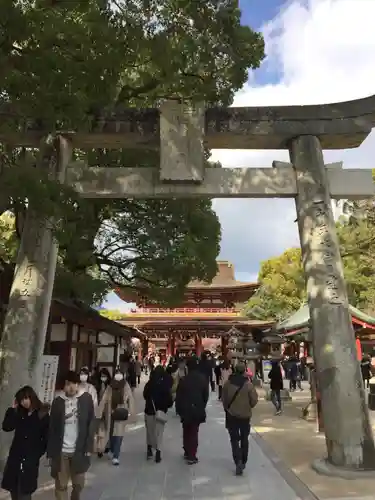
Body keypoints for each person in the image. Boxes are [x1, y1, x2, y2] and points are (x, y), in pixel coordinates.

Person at [47, 371, 95, 500]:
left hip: (79, 449)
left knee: (78, 484)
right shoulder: (58, 402)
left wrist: (89, 446)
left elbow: (91, 423)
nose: (72, 387)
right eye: (68, 384)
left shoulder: (86, 399)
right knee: (61, 485)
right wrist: (51, 453)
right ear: (63, 386)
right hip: (61, 450)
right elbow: (52, 428)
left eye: (74, 383)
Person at [1, 386, 49, 500]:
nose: (24, 402)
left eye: (26, 398)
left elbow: (46, 439)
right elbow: (7, 427)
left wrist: (35, 454)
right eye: (21, 400)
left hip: (29, 462)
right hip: (15, 460)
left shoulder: (42, 415)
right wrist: (12, 409)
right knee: (14, 492)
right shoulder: (20, 413)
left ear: (32, 397)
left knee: (25, 494)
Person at [222, 363, 258, 476]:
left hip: (231, 415)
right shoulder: (248, 385)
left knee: (234, 439)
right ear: (244, 372)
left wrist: (228, 408)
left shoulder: (228, 384)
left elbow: (224, 399)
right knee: (244, 438)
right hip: (245, 416)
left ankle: (237, 460)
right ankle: (243, 460)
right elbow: (254, 400)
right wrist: (247, 406)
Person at [96, 368, 134, 466]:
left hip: (121, 412)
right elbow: (104, 399)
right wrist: (99, 412)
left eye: (120, 373)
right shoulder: (110, 386)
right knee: (112, 434)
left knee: (119, 435)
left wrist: (131, 411)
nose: (118, 375)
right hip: (110, 413)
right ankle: (112, 450)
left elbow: (130, 398)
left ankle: (116, 456)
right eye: (117, 373)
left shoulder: (125, 385)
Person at [175, 357, 209, 465]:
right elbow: (205, 395)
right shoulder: (203, 379)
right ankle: (192, 454)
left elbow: (178, 396)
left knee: (186, 430)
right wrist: (202, 405)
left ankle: (186, 450)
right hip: (197, 407)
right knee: (194, 431)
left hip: (185, 409)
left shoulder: (184, 380)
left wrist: (178, 409)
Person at [143, 366, 173, 463]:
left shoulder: (149, 384)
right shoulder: (164, 385)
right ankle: (158, 452)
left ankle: (149, 449)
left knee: (150, 431)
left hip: (149, 411)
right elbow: (169, 401)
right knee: (159, 433)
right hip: (161, 412)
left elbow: (145, 395)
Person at [93, 368, 112, 458]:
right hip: (98, 410)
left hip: (107, 411)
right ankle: (100, 448)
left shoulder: (110, 387)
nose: (103, 378)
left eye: (105, 376)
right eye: (102, 376)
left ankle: (104, 446)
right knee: (100, 430)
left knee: (106, 429)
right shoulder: (97, 387)